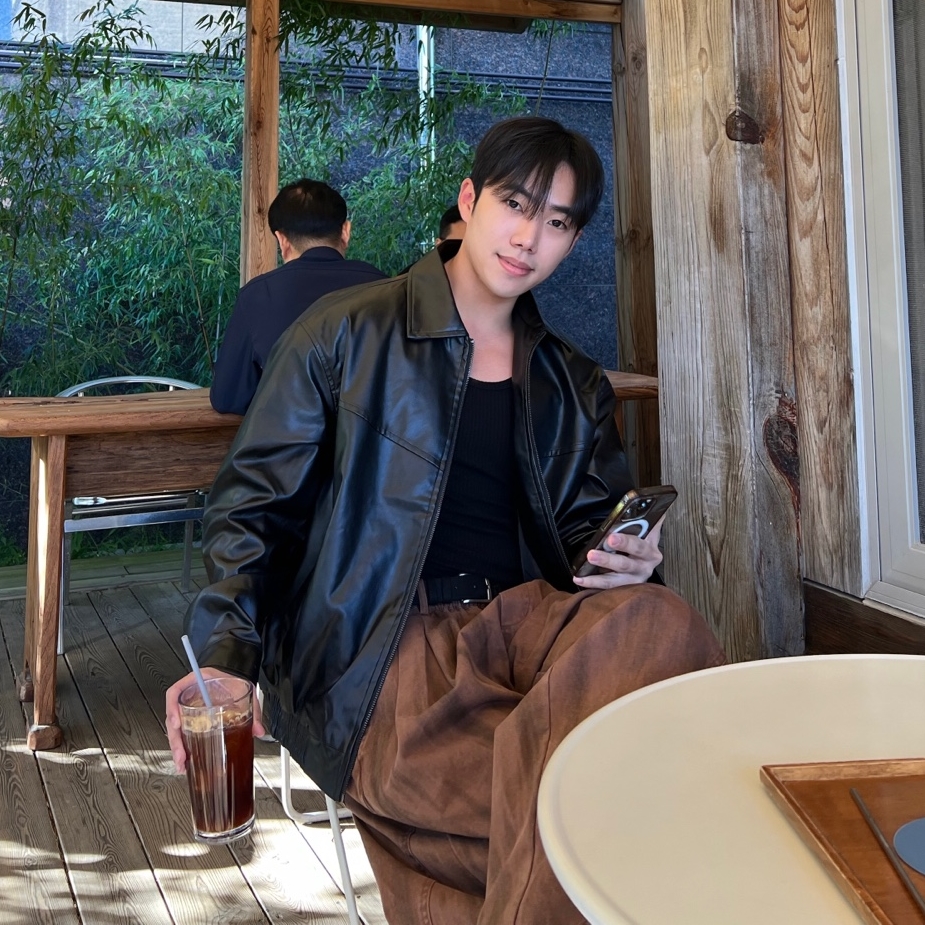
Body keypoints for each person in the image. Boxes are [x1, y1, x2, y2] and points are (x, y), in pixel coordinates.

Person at [167, 116, 724, 924]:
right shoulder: (342, 333)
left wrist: (623, 559)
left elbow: (583, 530)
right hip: (385, 647)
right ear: (468, 201)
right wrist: (225, 652)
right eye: (515, 204)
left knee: (657, 618)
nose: (528, 237)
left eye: (556, 222)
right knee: (605, 805)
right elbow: (252, 505)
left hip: (537, 631)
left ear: (572, 240)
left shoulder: (570, 380)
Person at [210, 178, 386, 415]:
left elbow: (228, 397)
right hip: (376, 438)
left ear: (281, 239)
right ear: (346, 231)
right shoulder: (384, 287)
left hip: (290, 436)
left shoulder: (258, 295)